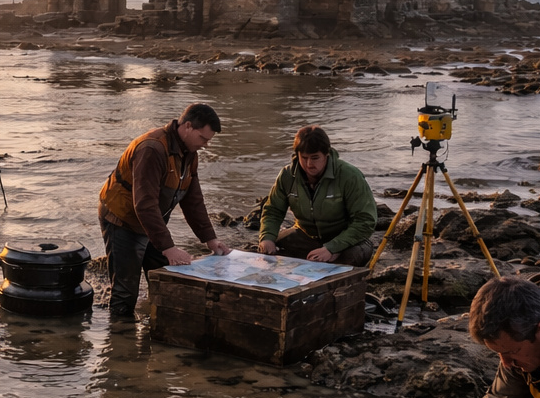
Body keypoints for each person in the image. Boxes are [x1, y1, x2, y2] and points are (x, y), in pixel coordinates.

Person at [98, 102, 230, 330]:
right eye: (203, 138)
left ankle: (157, 332)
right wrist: (168, 247)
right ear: (187, 127)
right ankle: (120, 347)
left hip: (152, 220)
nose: (206, 145)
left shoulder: (190, 152)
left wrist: (209, 238)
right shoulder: (152, 149)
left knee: (165, 276)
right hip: (122, 219)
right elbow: (144, 204)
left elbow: (193, 200)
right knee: (125, 291)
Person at [258, 125, 377, 266]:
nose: (309, 164)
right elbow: (273, 211)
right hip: (305, 235)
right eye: (304, 158)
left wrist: (332, 248)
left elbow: (365, 221)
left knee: (350, 257)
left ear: (327, 154)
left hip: (345, 239)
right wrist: (267, 237)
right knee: (263, 250)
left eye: (315, 158)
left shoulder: (349, 176)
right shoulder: (287, 175)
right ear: (297, 155)